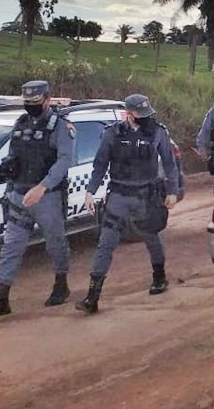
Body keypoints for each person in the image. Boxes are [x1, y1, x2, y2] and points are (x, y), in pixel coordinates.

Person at [0, 81, 76, 318]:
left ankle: (61, 284)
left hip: (47, 197)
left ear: (47, 100)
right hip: (18, 195)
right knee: (11, 247)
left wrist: (43, 187)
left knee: (55, 243)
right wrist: (7, 176)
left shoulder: (60, 127)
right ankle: (1, 298)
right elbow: (13, 156)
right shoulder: (20, 124)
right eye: (27, 102)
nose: (31, 106)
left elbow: (64, 161)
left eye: (35, 102)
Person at [76, 94, 180, 314]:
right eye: (138, 115)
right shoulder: (112, 133)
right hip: (119, 195)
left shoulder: (158, 132)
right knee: (106, 243)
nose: (144, 118)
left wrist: (172, 191)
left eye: (146, 114)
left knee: (153, 239)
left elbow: (170, 164)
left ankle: (159, 278)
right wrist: (90, 192)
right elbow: (100, 164)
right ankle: (92, 297)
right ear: (127, 114)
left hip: (147, 196)